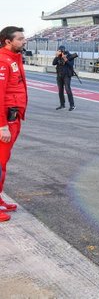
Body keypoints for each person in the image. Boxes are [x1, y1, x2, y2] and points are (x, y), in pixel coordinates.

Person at [0, 26, 28, 222]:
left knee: (3, 162)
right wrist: (2, 125)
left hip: (14, 117)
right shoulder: (3, 61)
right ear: (8, 41)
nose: (23, 41)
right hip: (5, 121)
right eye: (19, 39)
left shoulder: (14, 59)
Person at [53, 45, 78, 111]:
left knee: (67, 89)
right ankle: (62, 105)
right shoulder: (58, 56)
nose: (60, 52)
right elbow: (53, 63)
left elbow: (71, 65)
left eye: (60, 51)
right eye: (59, 51)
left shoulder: (70, 56)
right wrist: (56, 56)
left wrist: (65, 59)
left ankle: (72, 105)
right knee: (60, 90)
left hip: (67, 75)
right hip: (59, 75)